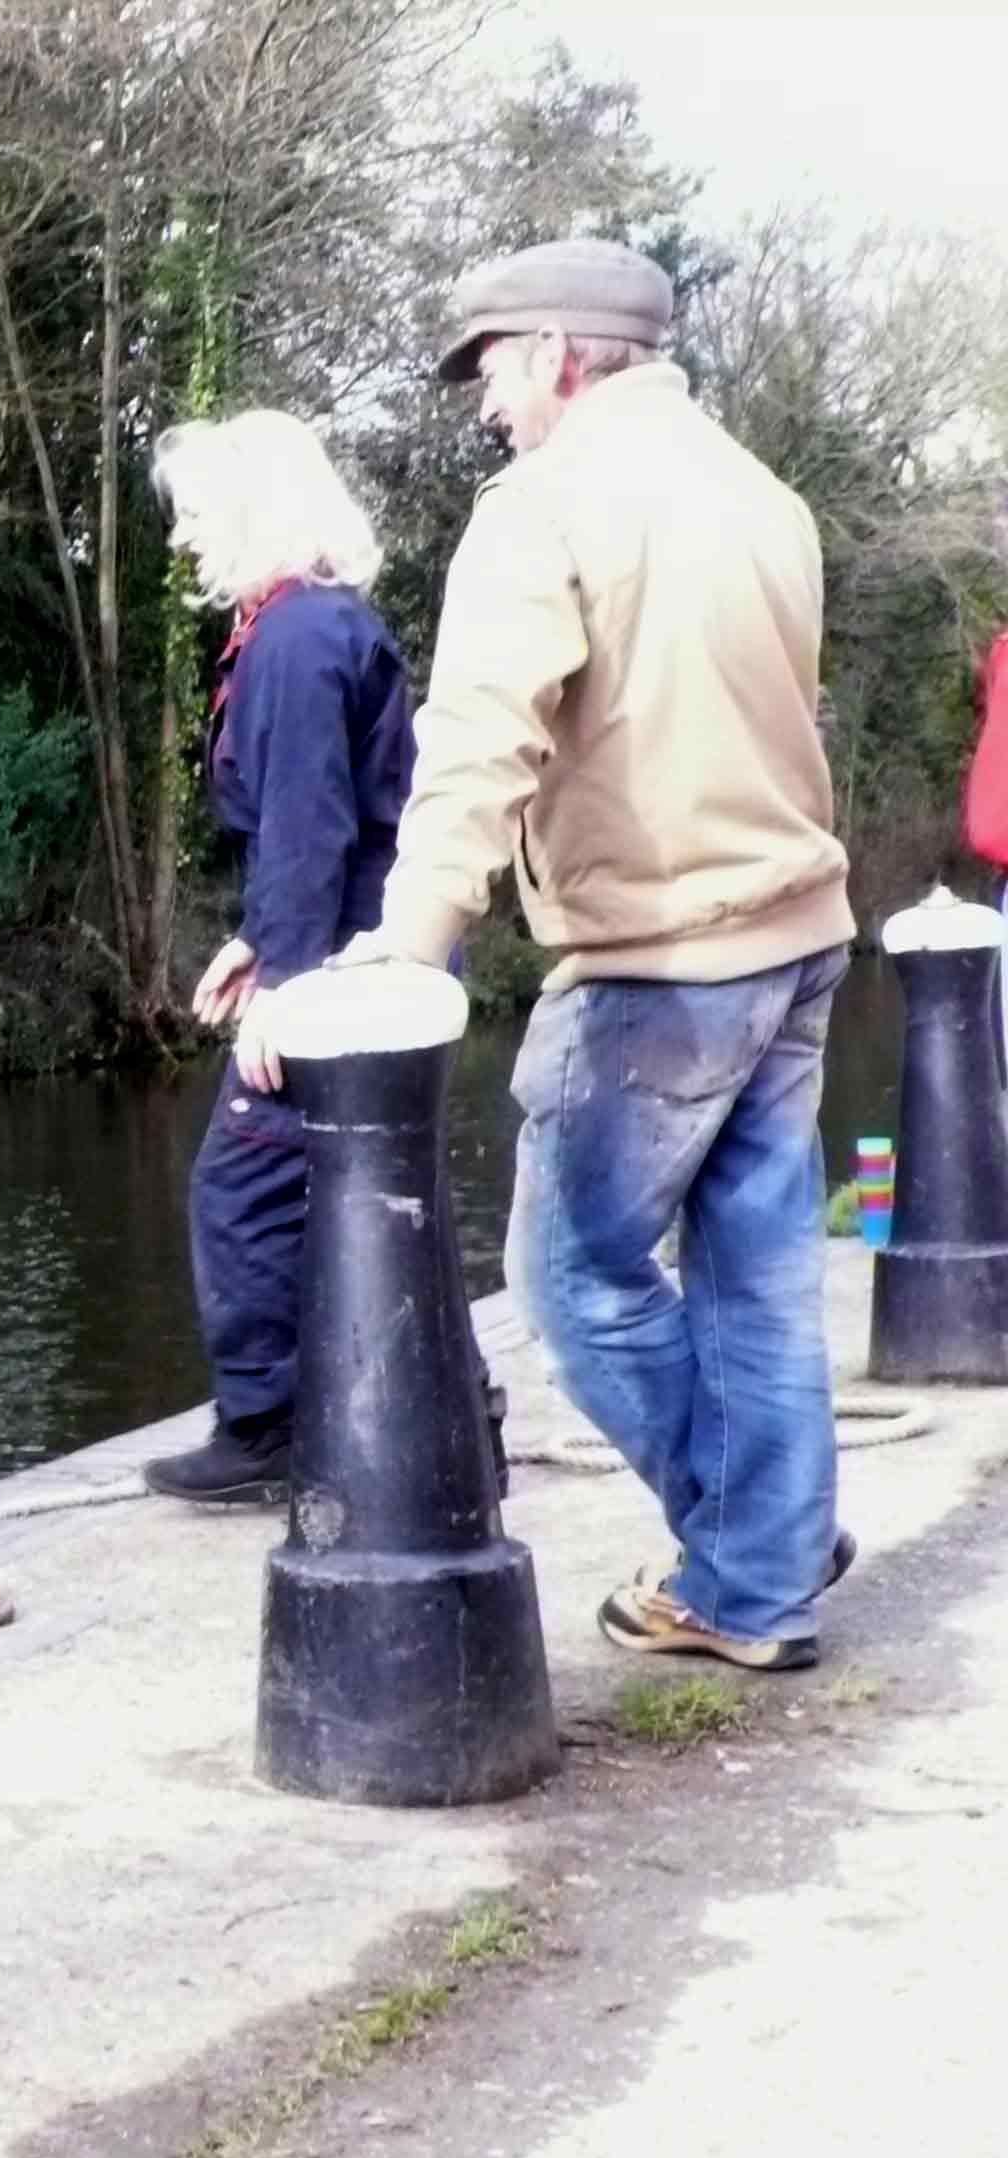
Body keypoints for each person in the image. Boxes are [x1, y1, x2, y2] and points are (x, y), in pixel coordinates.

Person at [331, 236, 858, 1671]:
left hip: (661, 963)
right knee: (757, 1276)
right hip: (799, 941)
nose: (485, 401)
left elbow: (480, 737)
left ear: (561, 354)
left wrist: (410, 946)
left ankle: (759, 1557)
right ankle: (763, 1566)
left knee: (572, 1277)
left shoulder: (547, 505)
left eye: (494, 366)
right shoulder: (765, 497)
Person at [139, 412, 419, 1505]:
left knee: (243, 1186)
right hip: (361, 957)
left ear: (261, 509)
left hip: (342, 976)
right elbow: (331, 818)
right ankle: (447, 1425)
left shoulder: (295, 643)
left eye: (202, 514)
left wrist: (287, 996)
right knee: (368, 1191)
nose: (185, 541)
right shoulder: (317, 627)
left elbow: (309, 828)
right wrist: (257, 942)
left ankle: (263, 1427)